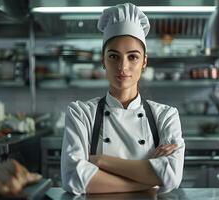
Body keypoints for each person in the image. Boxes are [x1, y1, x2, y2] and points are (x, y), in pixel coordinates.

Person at [61, 2, 185, 195]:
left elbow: (172, 175)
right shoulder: (81, 113)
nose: (123, 67)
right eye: (113, 56)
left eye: (133, 57)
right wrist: (147, 179)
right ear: (103, 61)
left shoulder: (166, 116)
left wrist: (101, 161)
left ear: (144, 61)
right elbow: (74, 178)